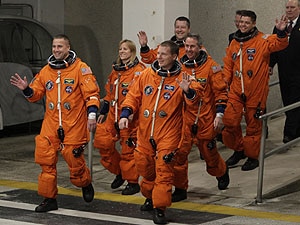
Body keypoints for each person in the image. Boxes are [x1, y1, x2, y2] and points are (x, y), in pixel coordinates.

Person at [10, 34, 100, 212]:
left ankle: (85, 183)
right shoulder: (46, 71)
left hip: (73, 123)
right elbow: (36, 94)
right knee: (45, 160)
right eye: (54, 47)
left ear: (68, 48)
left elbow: (92, 95)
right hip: (51, 124)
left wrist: (91, 116)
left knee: (74, 160)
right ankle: (49, 199)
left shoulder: (81, 69)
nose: (56, 50)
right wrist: (26, 89)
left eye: (60, 46)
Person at [118, 40, 202, 224]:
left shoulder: (184, 78)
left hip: (169, 134)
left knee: (164, 171)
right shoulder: (146, 75)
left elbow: (196, 100)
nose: (159, 57)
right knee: (145, 169)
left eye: (164, 54)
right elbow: (132, 96)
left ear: (174, 56)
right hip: (146, 132)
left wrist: (188, 92)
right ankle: (150, 197)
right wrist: (126, 114)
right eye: (158, 54)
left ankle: (160, 208)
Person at [222, 10, 289, 171]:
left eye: (246, 22)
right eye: (241, 22)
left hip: (256, 91)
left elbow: (280, 43)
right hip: (236, 90)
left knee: (253, 126)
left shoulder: (262, 40)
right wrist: (224, 83)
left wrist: (281, 31)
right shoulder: (234, 42)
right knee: (230, 121)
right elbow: (228, 65)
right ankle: (239, 150)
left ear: (253, 24)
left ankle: (252, 157)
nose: (243, 25)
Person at [171, 33, 229, 202]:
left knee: (209, 154)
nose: (189, 49)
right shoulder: (179, 67)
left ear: (200, 47)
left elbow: (221, 93)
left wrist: (219, 115)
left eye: (192, 46)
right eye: (187, 46)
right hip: (184, 120)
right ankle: (180, 188)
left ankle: (221, 171)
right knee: (180, 154)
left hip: (205, 118)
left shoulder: (211, 67)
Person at [93, 39, 146, 195]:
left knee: (128, 151)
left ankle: (132, 182)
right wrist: (103, 110)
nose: (122, 51)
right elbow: (110, 93)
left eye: (125, 49)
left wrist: (130, 114)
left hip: (130, 117)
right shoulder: (115, 71)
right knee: (102, 142)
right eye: (120, 49)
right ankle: (120, 172)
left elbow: (140, 96)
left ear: (132, 52)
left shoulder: (140, 71)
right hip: (113, 114)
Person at [269, 0, 300, 144]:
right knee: (287, 100)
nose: (289, 10)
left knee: (294, 99)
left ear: (299, 8)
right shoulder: (280, 26)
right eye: (287, 7)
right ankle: (296, 130)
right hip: (284, 71)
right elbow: (274, 48)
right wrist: (270, 65)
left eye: (292, 7)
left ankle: (289, 134)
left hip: (298, 72)